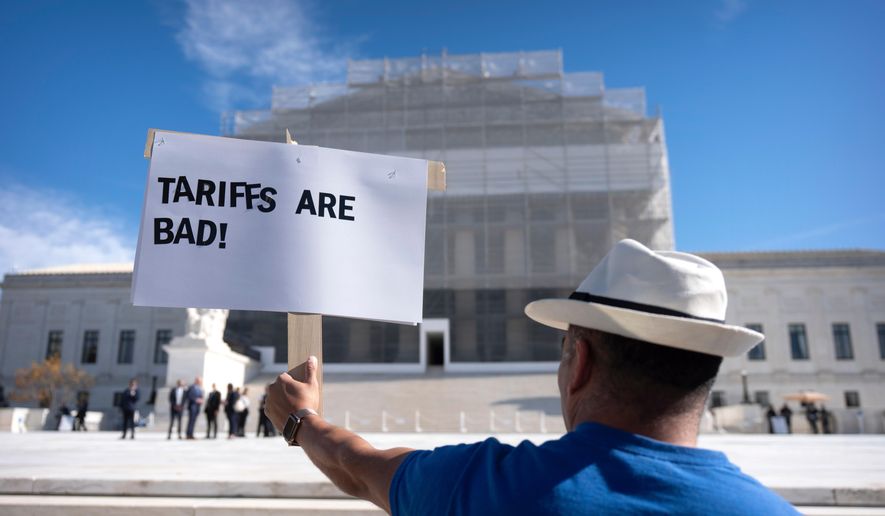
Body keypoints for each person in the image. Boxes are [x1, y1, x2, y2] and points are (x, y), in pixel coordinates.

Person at [265, 239, 799, 514]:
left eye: (563, 350)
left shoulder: (489, 487)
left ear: (581, 362)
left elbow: (358, 467)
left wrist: (300, 420)